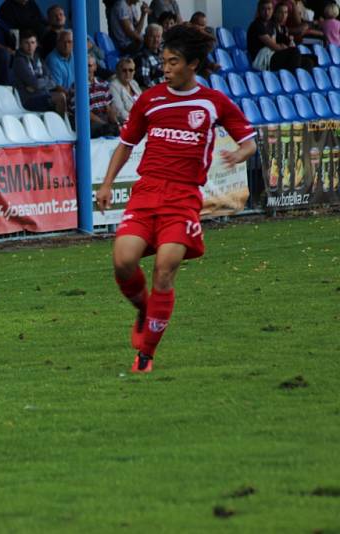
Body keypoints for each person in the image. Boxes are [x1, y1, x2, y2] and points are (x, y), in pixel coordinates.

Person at [96, 24, 256, 373]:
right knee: (123, 261)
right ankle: (143, 309)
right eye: (164, 61)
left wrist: (239, 155)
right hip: (147, 192)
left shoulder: (213, 103)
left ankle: (146, 355)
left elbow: (249, 141)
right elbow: (125, 145)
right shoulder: (150, 99)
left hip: (183, 198)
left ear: (193, 64)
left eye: (173, 62)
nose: (165, 68)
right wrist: (106, 184)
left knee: (164, 270)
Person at [12, 29, 66, 115]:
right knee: (60, 97)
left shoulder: (38, 59)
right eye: (26, 43)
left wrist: (38, 84)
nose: (30, 46)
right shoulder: (19, 61)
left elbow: (53, 82)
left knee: (64, 97)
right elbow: (35, 84)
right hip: (28, 99)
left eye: (32, 42)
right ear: (21, 44)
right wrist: (44, 80)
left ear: (36, 44)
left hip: (42, 95)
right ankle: (61, 125)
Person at [247, 0, 310, 71]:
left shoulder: (271, 25)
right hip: (263, 60)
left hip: (272, 55)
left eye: (269, 9)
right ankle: (290, 78)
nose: (266, 12)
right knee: (294, 52)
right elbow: (273, 46)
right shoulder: (257, 25)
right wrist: (284, 48)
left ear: (272, 11)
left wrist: (284, 46)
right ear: (259, 11)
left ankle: (298, 80)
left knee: (308, 61)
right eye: (263, 9)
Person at [87, 54, 120, 137]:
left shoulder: (103, 83)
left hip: (103, 119)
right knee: (107, 130)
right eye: (83, 65)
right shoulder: (76, 88)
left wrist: (116, 123)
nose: (86, 69)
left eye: (89, 66)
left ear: (95, 67)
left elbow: (108, 107)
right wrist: (106, 124)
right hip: (89, 123)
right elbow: (86, 114)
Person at [109, 57, 141, 123]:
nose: (127, 73)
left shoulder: (134, 83)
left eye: (130, 70)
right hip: (129, 123)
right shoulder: (113, 86)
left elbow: (144, 104)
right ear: (118, 71)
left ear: (134, 72)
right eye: (124, 70)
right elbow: (120, 112)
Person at [134, 23, 164, 89]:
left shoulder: (164, 52)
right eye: (152, 36)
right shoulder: (142, 57)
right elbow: (145, 84)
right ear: (145, 38)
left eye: (158, 37)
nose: (156, 40)